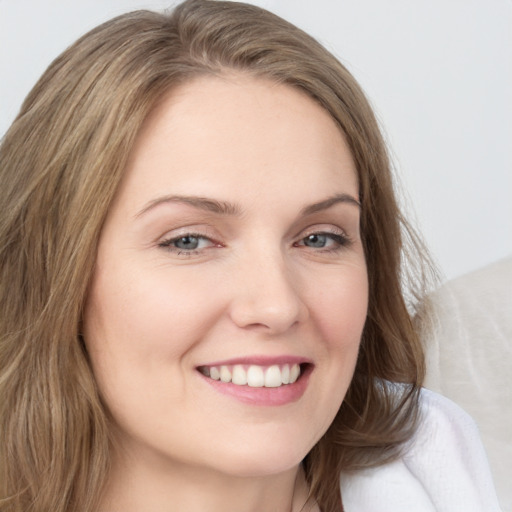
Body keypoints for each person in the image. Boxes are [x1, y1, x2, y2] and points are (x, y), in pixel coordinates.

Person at [0, 1, 501, 511]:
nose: (277, 305)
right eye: (189, 241)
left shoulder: (435, 471)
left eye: (319, 238)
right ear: (56, 273)